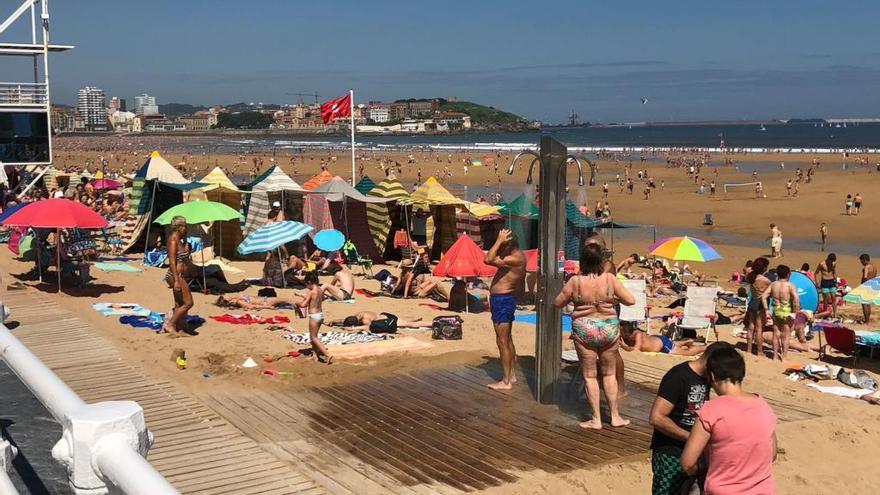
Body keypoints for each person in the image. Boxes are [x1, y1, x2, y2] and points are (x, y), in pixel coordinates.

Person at [553, 243, 635, 429]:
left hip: (584, 328)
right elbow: (630, 300)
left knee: (590, 376)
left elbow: (557, 303)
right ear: (601, 260)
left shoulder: (575, 281)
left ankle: (596, 419)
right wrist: (611, 299)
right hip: (608, 327)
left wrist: (577, 302)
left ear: (582, 261)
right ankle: (615, 417)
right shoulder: (609, 279)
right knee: (609, 373)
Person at [681, 347, 778, 495]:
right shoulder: (763, 407)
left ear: (712, 376)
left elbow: (687, 463)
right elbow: (772, 454)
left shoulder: (711, 411)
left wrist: (702, 471)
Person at [648, 341, 733, 495]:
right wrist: (692, 438)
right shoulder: (679, 376)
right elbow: (657, 418)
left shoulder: (707, 379)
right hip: (670, 453)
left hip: (695, 453)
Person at [484, 228, 526, 390]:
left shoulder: (515, 258)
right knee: (507, 339)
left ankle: (506, 381)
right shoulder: (515, 255)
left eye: (503, 244)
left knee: (502, 341)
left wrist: (499, 240)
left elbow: (488, 259)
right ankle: (512, 375)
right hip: (502, 300)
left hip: (503, 300)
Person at [162, 216, 196, 336]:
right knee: (188, 303)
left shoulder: (180, 240)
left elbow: (182, 259)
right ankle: (170, 324)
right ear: (179, 227)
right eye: (184, 226)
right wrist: (176, 280)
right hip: (175, 275)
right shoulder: (173, 240)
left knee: (179, 304)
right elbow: (172, 261)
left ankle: (181, 328)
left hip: (181, 275)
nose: (186, 229)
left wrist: (187, 249)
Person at [761, 265, 800, 361]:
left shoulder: (773, 284)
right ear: (787, 274)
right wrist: (795, 312)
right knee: (786, 335)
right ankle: (784, 357)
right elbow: (796, 299)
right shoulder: (790, 285)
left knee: (776, 333)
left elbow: (764, 296)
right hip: (787, 311)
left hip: (776, 310)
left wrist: (766, 310)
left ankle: (774, 356)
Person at [297, 271, 332, 364]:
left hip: (314, 316)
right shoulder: (320, 290)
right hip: (320, 315)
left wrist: (296, 303)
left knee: (313, 337)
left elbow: (303, 305)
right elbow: (322, 299)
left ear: (309, 282)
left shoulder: (311, 292)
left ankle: (327, 354)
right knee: (313, 336)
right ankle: (315, 355)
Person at [620, 323, 706, 357]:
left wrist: (624, 347)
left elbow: (636, 349)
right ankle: (685, 342)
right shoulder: (628, 336)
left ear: (625, 332)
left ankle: (704, 348)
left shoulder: (637, 334)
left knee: (688, 352)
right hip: (659, 340)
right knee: (673, 344)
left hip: (663, 345)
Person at [744, 257, 771, 356]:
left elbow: (748, 270)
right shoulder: (766, 280)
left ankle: (749, 349)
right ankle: (760, 351)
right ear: (764, 268)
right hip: (760, 304)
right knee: (759, 328)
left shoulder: (750, 277)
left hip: (752, 302)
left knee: (751, 327)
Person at [334, 311, 427, 331]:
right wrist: (334, 321)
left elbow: (368, 327)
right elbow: (346, 320)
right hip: (385, 315)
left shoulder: (365, 320)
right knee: (405, 322)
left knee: (412, 325)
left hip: (389, 320)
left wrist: (354, 328)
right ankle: (414, 319)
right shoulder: (357, 315)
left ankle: (432, 323)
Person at [814, 253, 838, 318]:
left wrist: (836, 282)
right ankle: (825, 313)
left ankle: (835, 314)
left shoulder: (833, 263)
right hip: (824, 282)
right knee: (826, 299)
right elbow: (816, 273)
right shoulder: (821, 264)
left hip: (832, 281)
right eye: (831, 261)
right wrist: (817, 282)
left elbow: (834, 272)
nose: (832, 262)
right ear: (828, 258)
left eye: (833, 261)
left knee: (834, 298)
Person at [859, 254, 877, 323]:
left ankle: (866, 322)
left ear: (864, 260)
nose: (861, 263)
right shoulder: (874, 266)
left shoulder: (866, 267)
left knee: (864, 304)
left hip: (866, 287)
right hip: (872, 286)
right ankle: (868, 320)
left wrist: (862, 287)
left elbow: (865, 277)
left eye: (861, 261)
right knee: (868, 303)